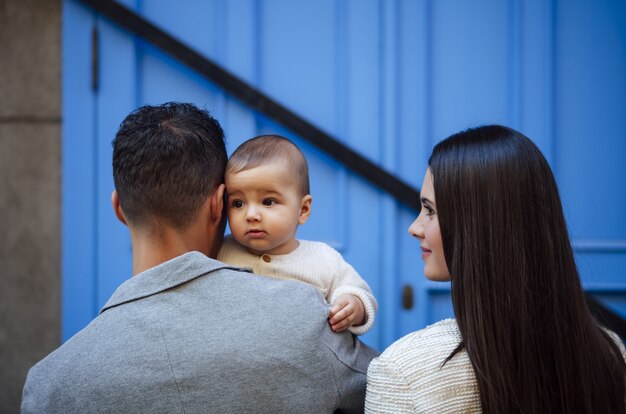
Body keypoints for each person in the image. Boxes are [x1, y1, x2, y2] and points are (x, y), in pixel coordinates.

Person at [21, 102, 378, 414]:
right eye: (239, 203)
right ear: (218, 204)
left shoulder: (49, 386)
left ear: (119, 208)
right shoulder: (305, 319)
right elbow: (390, 387)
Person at [365, 125, 626, 413]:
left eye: (430, 210)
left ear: (479, 226)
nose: (414, 228)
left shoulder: (402, 373)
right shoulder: (610, 352)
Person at [217, 135, 377, 334]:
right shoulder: (219, 252)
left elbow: (359, 292)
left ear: (303, 210)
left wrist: (353, 305)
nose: (251, 215)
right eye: (238, 203)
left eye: (268, 202)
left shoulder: (323, 259)